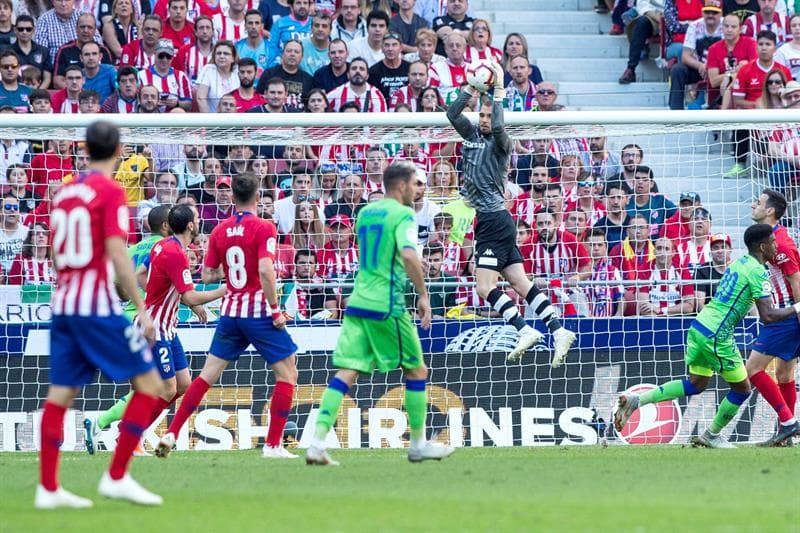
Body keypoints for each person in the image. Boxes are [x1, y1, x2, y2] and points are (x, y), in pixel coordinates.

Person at [37, 121, 163, 508]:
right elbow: (117, 252)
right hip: (95, 306)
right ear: (120, 150)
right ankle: (117, 476)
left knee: (60, 394)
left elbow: (55, 253)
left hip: (63, 304)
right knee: (151, 384)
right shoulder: (110, 191)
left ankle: (48, 488)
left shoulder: (64, 191)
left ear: (85, 148)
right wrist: (142, 308)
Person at [306, 161, 454, 466]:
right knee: (416, 370)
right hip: (386, 304)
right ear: (401, 186)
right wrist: (423, 294)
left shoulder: (365, 213)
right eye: (414, 184)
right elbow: (409, 254)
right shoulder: (403, 214)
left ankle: (317, 443)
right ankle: (418, 445)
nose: (417, 190)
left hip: (358, 300)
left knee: (348, 371)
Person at [615, 223, 800, 449]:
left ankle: (637, 400)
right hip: (717, 334)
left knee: (695, 384)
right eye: (772, 242)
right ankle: (712, 435)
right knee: (743, 389)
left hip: (699, 325)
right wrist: (797, 307)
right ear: (762, 247)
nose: (776, 246)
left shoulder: (739, 263)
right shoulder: (757, 271)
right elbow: (768, 316)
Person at [156, 173, 300, 460]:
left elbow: (208, 275)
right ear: (258, 197)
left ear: (232, 198)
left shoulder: (220, 231)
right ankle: (273, 445)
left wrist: (234, 270)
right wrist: (275, 310)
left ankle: (172, 432)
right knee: (288, 374)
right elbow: (265, 270)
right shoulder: (265, 227)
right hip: (258, 312)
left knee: (206, 376)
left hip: (230, 313)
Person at [445, 61, 576, 366]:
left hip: (493, 219)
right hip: (493, 221)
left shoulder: (502, 143)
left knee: (484, 287)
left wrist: (499, 91)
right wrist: (471, 88)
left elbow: (499, 126)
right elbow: (452, 114)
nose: (484, 119)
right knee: (520, 282)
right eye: (481, 114)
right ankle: (559, 331)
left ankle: (524, 329)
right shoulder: (470, 136)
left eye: (488, 115)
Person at [746, 188, 800, 446]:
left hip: (786, 316)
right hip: (785, 313)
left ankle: (788, 424)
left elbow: (796, 281)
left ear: (769, 210)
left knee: (752, 369)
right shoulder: (770, 239)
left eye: (758, 202)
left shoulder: (782, 245)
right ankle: (786, 435)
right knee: (784, 375)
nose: (753, 205)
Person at [694, 232, 732, 310]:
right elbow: (699, 305)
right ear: (711, 251)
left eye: (723, 247)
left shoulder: (738, 270)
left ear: (730, 250)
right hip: (709, 316)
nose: (720, 251)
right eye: (716, 248)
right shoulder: (701, 271)